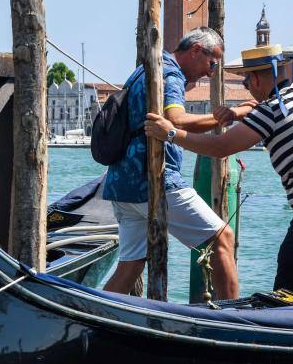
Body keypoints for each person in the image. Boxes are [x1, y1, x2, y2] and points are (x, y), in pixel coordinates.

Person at [144, 44, 293, 304]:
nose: (246, 86)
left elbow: (221, 148)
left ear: (254, 79)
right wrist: (237, 112)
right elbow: (260, 114)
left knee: (287, 300)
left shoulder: (271, 111)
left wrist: (171, 134)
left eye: (245, 81)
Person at [102, 27, 239, 300]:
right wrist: (225, 117)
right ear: (196, 50)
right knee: (223, 238)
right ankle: (234, 320)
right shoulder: (171, 74)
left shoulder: (147, 68)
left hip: (120, 183)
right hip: (154, 179)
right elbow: (175, 121)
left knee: (131, 265)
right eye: (212, 63)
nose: (211, 73)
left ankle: (91, 316)